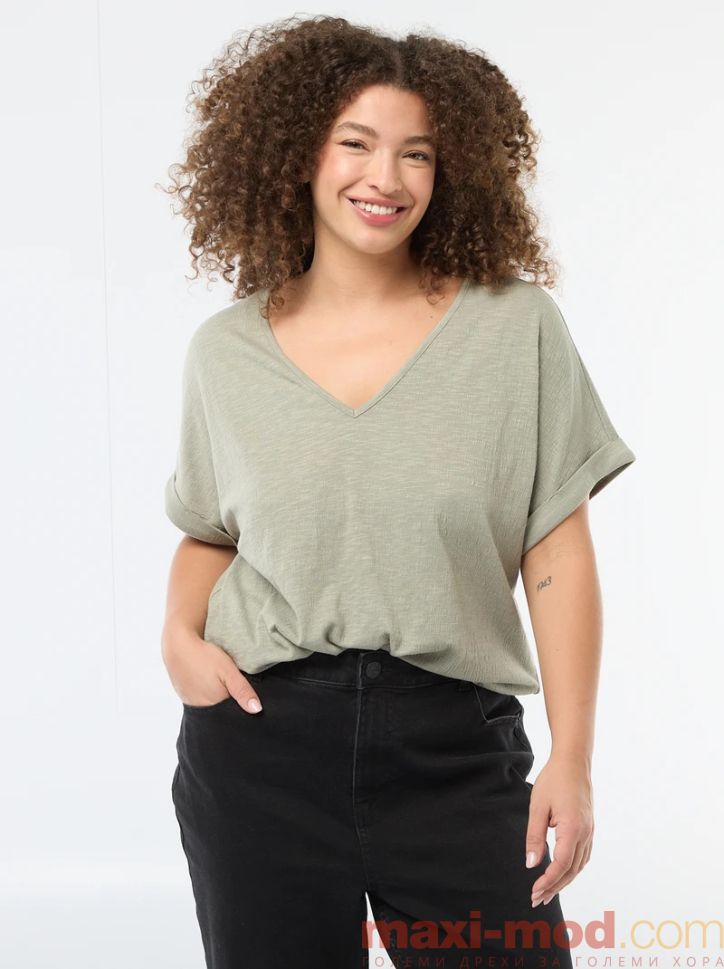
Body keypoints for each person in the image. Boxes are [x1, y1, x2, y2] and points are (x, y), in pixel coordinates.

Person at [160, 15, 636, 969]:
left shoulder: (515, 328)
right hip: (260, 749)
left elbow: (556, 552)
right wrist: (178, 637)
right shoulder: (226, 352)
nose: (386, 177)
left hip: (455, 748)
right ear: (299, 154)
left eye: (416, 153)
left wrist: (572, 757)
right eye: (356, 143)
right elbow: (211, 533)